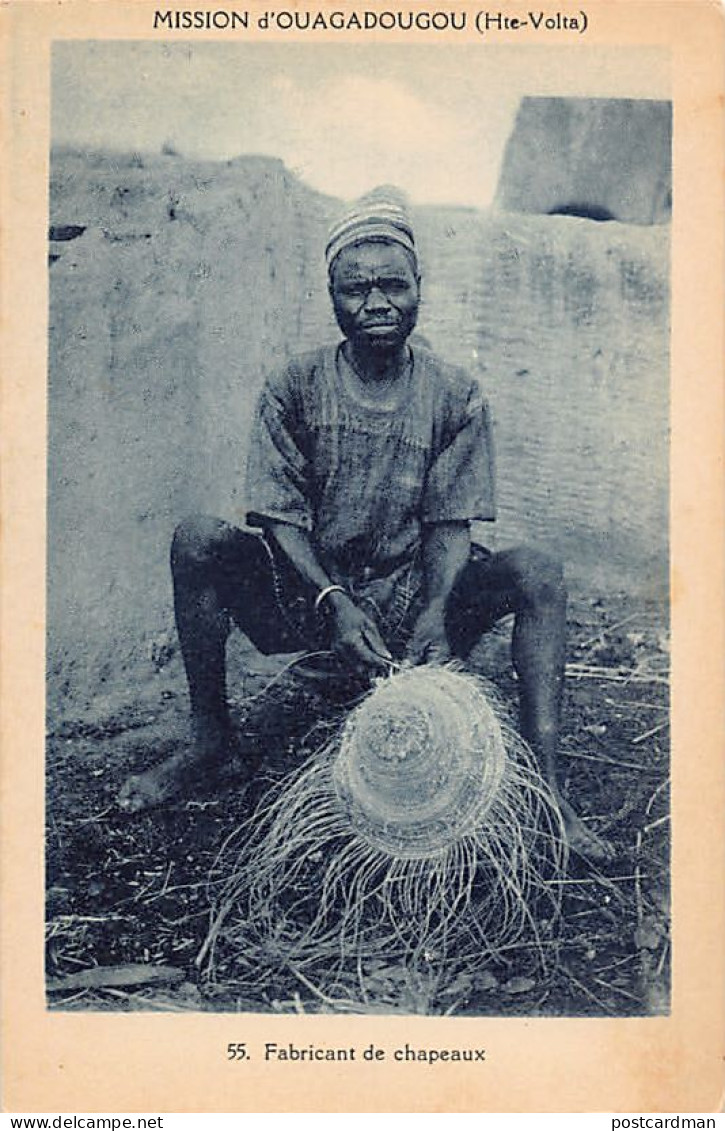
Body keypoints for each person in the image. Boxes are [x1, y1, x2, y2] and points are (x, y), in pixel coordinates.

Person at [118, 188, 612, 863]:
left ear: (418, 289)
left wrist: (438, 609)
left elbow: (448, 520)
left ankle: (547, 793)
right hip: (312, 597)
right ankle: (212, 739)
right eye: (356, 289)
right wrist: (332, 599)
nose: (376, 302)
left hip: (411, 602)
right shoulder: (293, 385)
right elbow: (277, 516)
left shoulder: (453, 393)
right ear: (331, 295)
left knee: (537, 572)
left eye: (392, 285)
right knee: (197, 539)